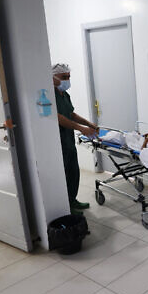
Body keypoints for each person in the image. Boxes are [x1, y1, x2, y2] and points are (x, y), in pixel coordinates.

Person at [52, 63, 99, 216]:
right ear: (52, 78)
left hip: (68, 139)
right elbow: (59, 118)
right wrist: (81, 128)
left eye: (68, 77)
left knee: (73, 171)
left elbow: (71, 114)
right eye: (63, 77)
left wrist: (88, 123)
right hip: (57, 140)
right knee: (63, 173)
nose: (67, 80)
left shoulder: (64, 95)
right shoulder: (50, 96)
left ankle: (72, 199)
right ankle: (65, 206)